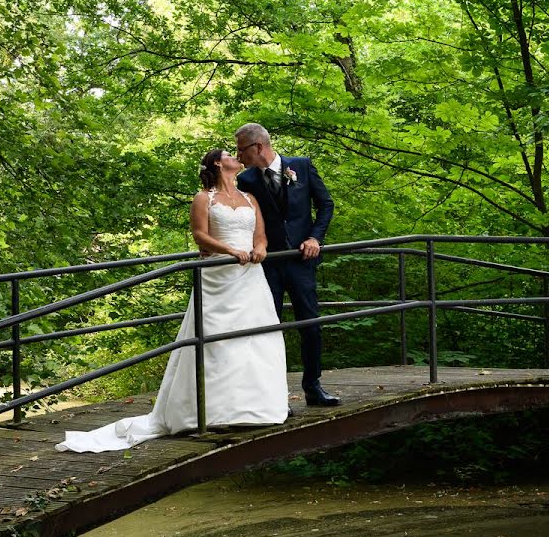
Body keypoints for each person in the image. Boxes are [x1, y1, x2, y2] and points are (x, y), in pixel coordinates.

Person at [56, 150, 288, 453]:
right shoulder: (204, 198)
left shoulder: (249, 198)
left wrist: (259, 249)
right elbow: (200, 235)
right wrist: (231, 251)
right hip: (218, 274)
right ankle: (213, 412)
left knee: (256, 337)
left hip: (250, 277)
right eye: (230, 153)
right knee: (215, 341)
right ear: (219, 163)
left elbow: (261, 234)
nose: (235, 156)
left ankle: (257, 408)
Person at [235, 123, 339, 407]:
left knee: (311, 324)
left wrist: (314, 238)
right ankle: (274, 396)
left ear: (258, 147)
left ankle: (313, 387)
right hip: (267, 265)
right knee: (269, 327)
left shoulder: (302, 167)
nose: (238, 155)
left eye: (241, 148)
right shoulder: (246, 180)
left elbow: (325, 204)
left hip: (302, 262)